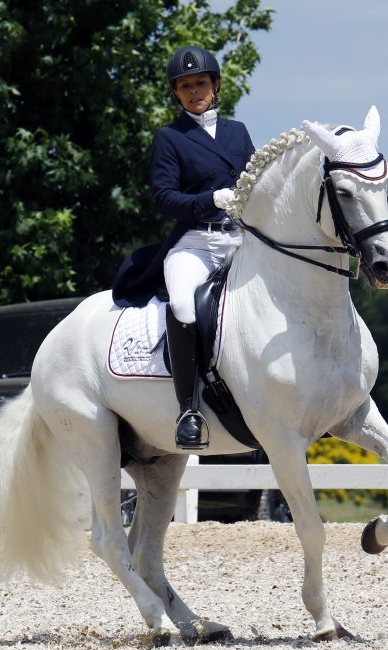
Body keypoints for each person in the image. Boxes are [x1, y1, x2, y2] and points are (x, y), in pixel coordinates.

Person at [112, 45, 255, 449]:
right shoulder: (170, 138)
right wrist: (208, 200)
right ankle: (189, 409)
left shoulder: (238, 132)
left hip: (237, 239)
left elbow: (257, 183)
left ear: (216, 85)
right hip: (194, 242)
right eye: (185, 86)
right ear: (176, 93)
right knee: (182, 305)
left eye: (200, 83)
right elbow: (164, 198)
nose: (194, 91)